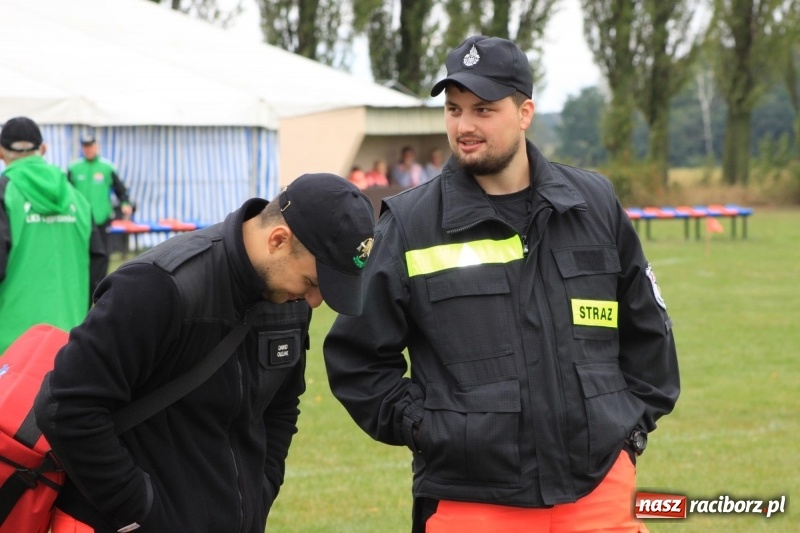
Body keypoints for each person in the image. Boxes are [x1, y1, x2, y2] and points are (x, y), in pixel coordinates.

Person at [323, 35, 680, 533]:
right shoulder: (410, 223)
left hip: (599, 490)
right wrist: (428, 428)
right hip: (469, 501)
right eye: (453, 109)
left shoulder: (593, 203)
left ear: (525, 112)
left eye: (483, 109)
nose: (464, 126)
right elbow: (356, 358)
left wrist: (625, 429)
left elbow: (649, 332)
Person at [34, 173, 376, 533]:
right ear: (278, 240)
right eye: (312, 282)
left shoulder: (290, 299)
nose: (316, 301)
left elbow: (281, 406)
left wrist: (261, 493)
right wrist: (141, 515)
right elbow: (66, 407)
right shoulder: (157, 286)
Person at [0, 116, 104, 353]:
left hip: (10, 350)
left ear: (1, 152)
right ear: (43, 149)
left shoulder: (5, 193)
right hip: (67, 344)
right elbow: (98, 262)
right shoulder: (77, 198)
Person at [68, 132, 133, 284]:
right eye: (85, 147)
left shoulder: (107, 167)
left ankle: (101, 283)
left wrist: (125, 203)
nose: (88, 150)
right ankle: (81, 281)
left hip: (101, 217)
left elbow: (120, 190)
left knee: (102, 252)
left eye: (90, 146)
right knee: (81, 250)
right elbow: (66, 192)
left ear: (96, 147)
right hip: (80, 217)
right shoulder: (74, 167)